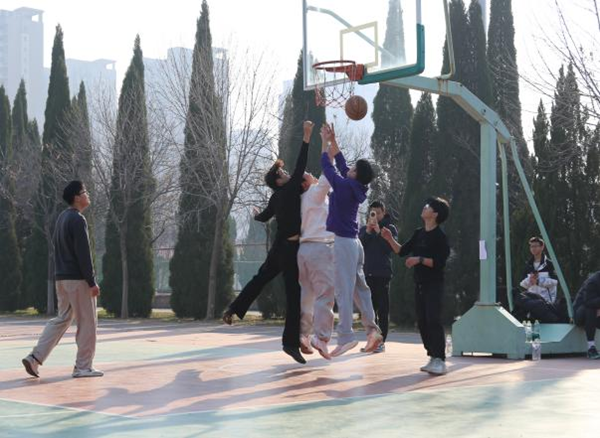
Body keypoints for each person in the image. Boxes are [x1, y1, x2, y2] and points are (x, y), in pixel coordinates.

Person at [222, 121, 314, 364]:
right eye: (283, 174)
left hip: (278, 248)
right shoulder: (290, 189)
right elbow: (301, 164)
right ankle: (290, 344)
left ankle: (233, 309)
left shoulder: (276, 197)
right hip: (290, 249)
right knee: (294, 296)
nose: (287, 174)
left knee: (260, 279)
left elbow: (264, 216)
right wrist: (306, 137)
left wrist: (255, 215)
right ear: (279, 181)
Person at [22, 181, 103, 378]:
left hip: (62, 279)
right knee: (88, 323)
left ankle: (34, 358)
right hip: (78, 280)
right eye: (85, 192)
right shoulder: (78, 219)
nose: (87, 194)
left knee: (62, 319)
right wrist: (91, 281)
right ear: (77, 197)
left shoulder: (62, 218)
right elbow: (83, 253)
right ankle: (83, 367)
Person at [320, 123, 382, 357]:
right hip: (355, 244)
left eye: (353, 168)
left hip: (344, 243)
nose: (350, 168)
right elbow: (341, 162)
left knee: (343, 292)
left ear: (356, 174)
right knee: (361, 290)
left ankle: (346, 337)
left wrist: (324, 142)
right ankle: (373, 331)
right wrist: (333, 140)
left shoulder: (345, 186)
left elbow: (328, 166)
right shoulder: (357, 185)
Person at [381, 197, 450, 375]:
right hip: (419, 284)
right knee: (422, 321)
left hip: (434, 284)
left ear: (435, 214)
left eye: (428, 206)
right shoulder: (419, 233)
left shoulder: (440, 237)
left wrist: (419, 259)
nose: (424, 207)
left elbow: (439, 263)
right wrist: (389, 238)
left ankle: (440, 360)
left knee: (433, 319)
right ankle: (432, 356)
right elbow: (401, 251)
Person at [298, 126, 336, 360]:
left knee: (307, 295)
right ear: (305, 183)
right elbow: (327, 170)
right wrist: (326, 142)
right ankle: (321, 337)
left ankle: (303, 335)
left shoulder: (300, 199)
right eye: (306, 175)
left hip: (303, 250)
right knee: (325, 294)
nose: (310, 173)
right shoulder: (314, 193)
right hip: (320, 247)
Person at [359, 200, 398, 353]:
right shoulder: (364, 229)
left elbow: (388, 249)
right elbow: (359, 247)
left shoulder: (389, 229)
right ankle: (372, 340)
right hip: (367, 274)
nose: (375, 216)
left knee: (382, 310)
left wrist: (378, 232)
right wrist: (369, 232)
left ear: (384, 212)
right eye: (372, 213)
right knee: (369, 311)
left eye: (378, 213)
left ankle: (381, 341)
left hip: (383, 274)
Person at [513, 237, 561, 323]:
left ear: (542, 247)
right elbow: (522, 284)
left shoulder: (550, 264)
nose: (533, 248)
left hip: (547, 303)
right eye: (531, 246)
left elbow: (555, 281)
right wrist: (530, 280)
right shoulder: (528, 265)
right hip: (532, 303)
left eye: (535, 246)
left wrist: (538, 281)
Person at [573, 271, 600, 360]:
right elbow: (588, 301)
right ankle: (591, 347)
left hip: (597, 312)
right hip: (581, 314)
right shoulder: (593, 281)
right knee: (591, 309)